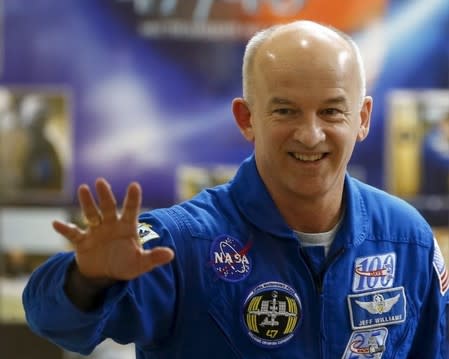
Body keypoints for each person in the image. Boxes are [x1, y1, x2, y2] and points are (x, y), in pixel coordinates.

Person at [23, 20, 448, 358]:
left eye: (332, 111)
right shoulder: (181, 244)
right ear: (247, 118)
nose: (311, 134)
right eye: (285, 111)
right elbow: (52, 320)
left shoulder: (406, 237)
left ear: (363, 118)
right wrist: (87, 280)